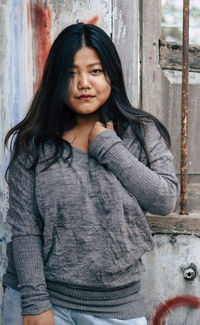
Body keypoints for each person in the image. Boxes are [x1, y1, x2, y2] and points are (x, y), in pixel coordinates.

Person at [2, 23, 179, 325]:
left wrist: (110, 148)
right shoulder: (35, 141)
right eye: (71, 73)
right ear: (56, 79)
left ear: (111, 73)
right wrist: (34, 304)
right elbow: (25, 228)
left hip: (115, 308)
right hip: (41, 300)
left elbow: (164, 199)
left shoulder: (140, 132)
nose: (83, 83)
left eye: (95, 71)